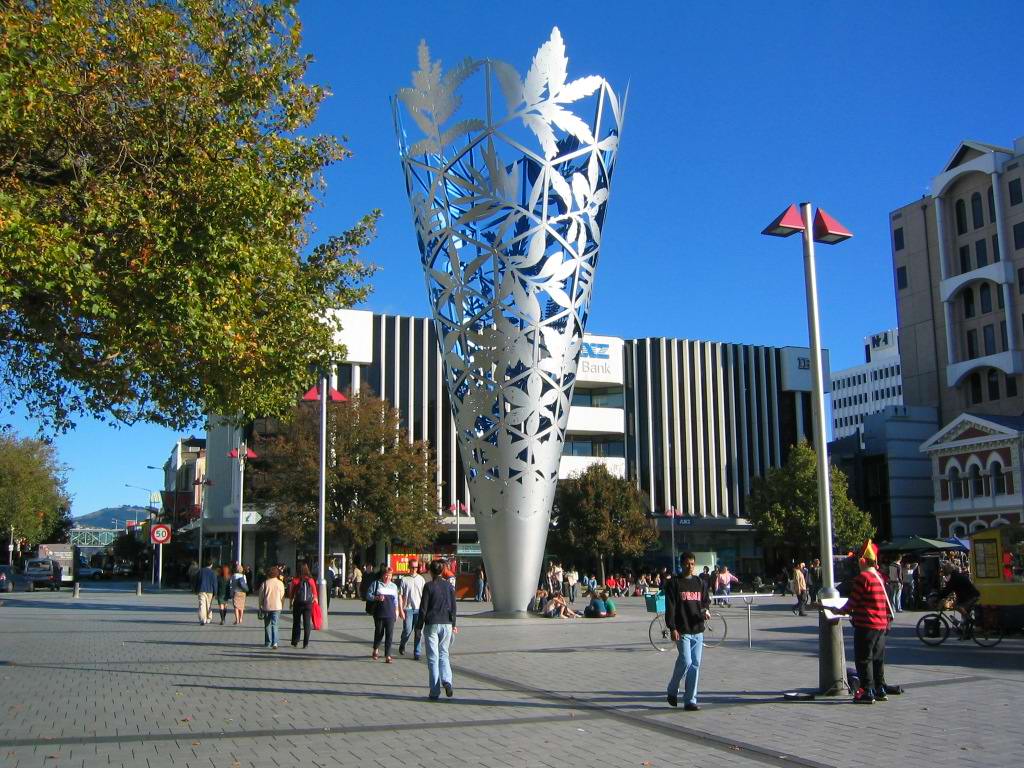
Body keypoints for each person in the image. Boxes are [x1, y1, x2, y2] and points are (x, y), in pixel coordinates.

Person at [835, 540, 898, 704]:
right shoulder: (879, 577)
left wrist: (838, 610)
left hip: (866, 624)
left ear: (862, 561)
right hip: (880, 625)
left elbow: (853, 602)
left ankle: (867, 691)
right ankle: (880, 689)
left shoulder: (863, 578)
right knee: (877, 659)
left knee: (863, 659)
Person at [664, 552, 711, 711]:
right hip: (682, 629)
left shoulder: (699, 582)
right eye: (687, 564)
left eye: (692, 564)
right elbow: (670, 607)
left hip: (697, 628)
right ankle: (672, 689)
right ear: (681, 564)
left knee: (695, 664)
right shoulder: (674, 583)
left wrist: (705, 610)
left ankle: (690, 700)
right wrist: (672, 627)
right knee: (686, 661)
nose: (690, 567)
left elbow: (705, 601)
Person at [416, 559, 458, 700]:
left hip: (432, 623)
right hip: (446, 623)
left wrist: (418, 626)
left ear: (431, 571)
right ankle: (447, 681)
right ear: (442, 571)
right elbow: (453, 606)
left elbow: (423, 608)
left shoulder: (428, 586)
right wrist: (453, 624)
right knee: (444, 654)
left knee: (433, 658)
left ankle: (434, 691)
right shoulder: (448, 586)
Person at [368, 566, 403, 662]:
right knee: (379, 633)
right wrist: (376, 597)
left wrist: (397, 611)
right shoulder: (376, 584)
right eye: (386, 575)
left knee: (389, 634)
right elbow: (368, 595)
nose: (388, 577)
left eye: (390, 575)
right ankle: (375, 649)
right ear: (383, 575)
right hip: (379, 613)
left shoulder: (394, 586)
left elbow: (395, 600)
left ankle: (388, 655)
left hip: (390, 613)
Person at [936, 562, 981, 633]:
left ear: (948, 570)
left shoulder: (954, 577)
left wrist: (939, 597)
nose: (944, 572)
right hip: (970, 595)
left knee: (958, 606)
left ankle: (970, 620)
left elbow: (948, 589)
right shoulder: (956, 575)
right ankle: (965, 631)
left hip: (972, 596)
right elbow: (951, 589)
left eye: (944, 570)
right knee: (958, 606)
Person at [399, 560, 425, 660]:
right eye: (413, 567)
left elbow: (424, 595)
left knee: (418, 632)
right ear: (409, 567)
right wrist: (400, 609)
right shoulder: (404, 579)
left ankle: (417, 652)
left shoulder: (421, 579)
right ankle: (402, 644)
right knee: (407, 630)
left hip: (419, 609)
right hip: (408, 608)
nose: (414, 569)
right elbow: (400, 595)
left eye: (416, 567)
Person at [288, 563, 317, 649]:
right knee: (307, 623)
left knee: (296, 622)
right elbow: (315, 593)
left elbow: (291, 594)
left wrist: (290, 603)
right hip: (308, 604)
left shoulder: (295, 580)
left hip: (298, 603)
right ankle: (306, 643)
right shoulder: (311, 580)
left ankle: (295, 641)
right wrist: (314, 601)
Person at [259, 565, 285, 649]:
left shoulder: (265, 583)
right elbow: (282, 596)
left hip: (267, 606)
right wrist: (282, 605)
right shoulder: (280, 583)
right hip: (277, 606)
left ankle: (268, 642)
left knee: (267, 625)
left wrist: (260, 605)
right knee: (275, 624)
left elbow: (261, 596)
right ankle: (275, 643)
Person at [196, 561, 217, 625]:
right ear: (211, 565)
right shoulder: (213, 572)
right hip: (210, 591)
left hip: (201, 589)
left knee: (202, 604)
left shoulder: (200, 571)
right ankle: (209, 618)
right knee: (208, 605)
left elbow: (197, 580)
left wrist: (195, 589)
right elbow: (214, 583)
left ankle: (203, 619)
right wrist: (215, 592)